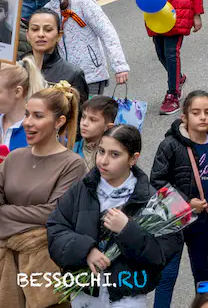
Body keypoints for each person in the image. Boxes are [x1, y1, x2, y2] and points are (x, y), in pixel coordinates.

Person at [48, 123, 185, 308]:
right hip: (84, 292)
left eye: (114, 155)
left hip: (127, 296)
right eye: (101, 151)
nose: (103, 161)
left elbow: (160, 255)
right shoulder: (81, 190)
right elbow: (56, 230)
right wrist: (85, 250)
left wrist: (127, 230)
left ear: (133, 159)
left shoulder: (150, 199)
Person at [0, 84, 86, 291]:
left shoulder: (73, 164)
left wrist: (4, 213)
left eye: (38, 116)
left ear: (59, 121)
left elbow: (53, 213)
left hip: (43, 270)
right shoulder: (14, 157)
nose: (27, 122)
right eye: (26, 114)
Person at [149, 91, 208, 308]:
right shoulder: (170, 145)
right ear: (184, 117)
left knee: (203, 271)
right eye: (196, 112)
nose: (202, 117)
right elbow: (157, 181)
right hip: (173, 220)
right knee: (168, 274)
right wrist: (186, 202)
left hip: (202, 220)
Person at [26, 9, 89, 97]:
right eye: (35, 29)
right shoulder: (17, 67)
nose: (40, 34)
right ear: (27, 35)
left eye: (48, 30)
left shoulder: (73, 74)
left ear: (59, 36)